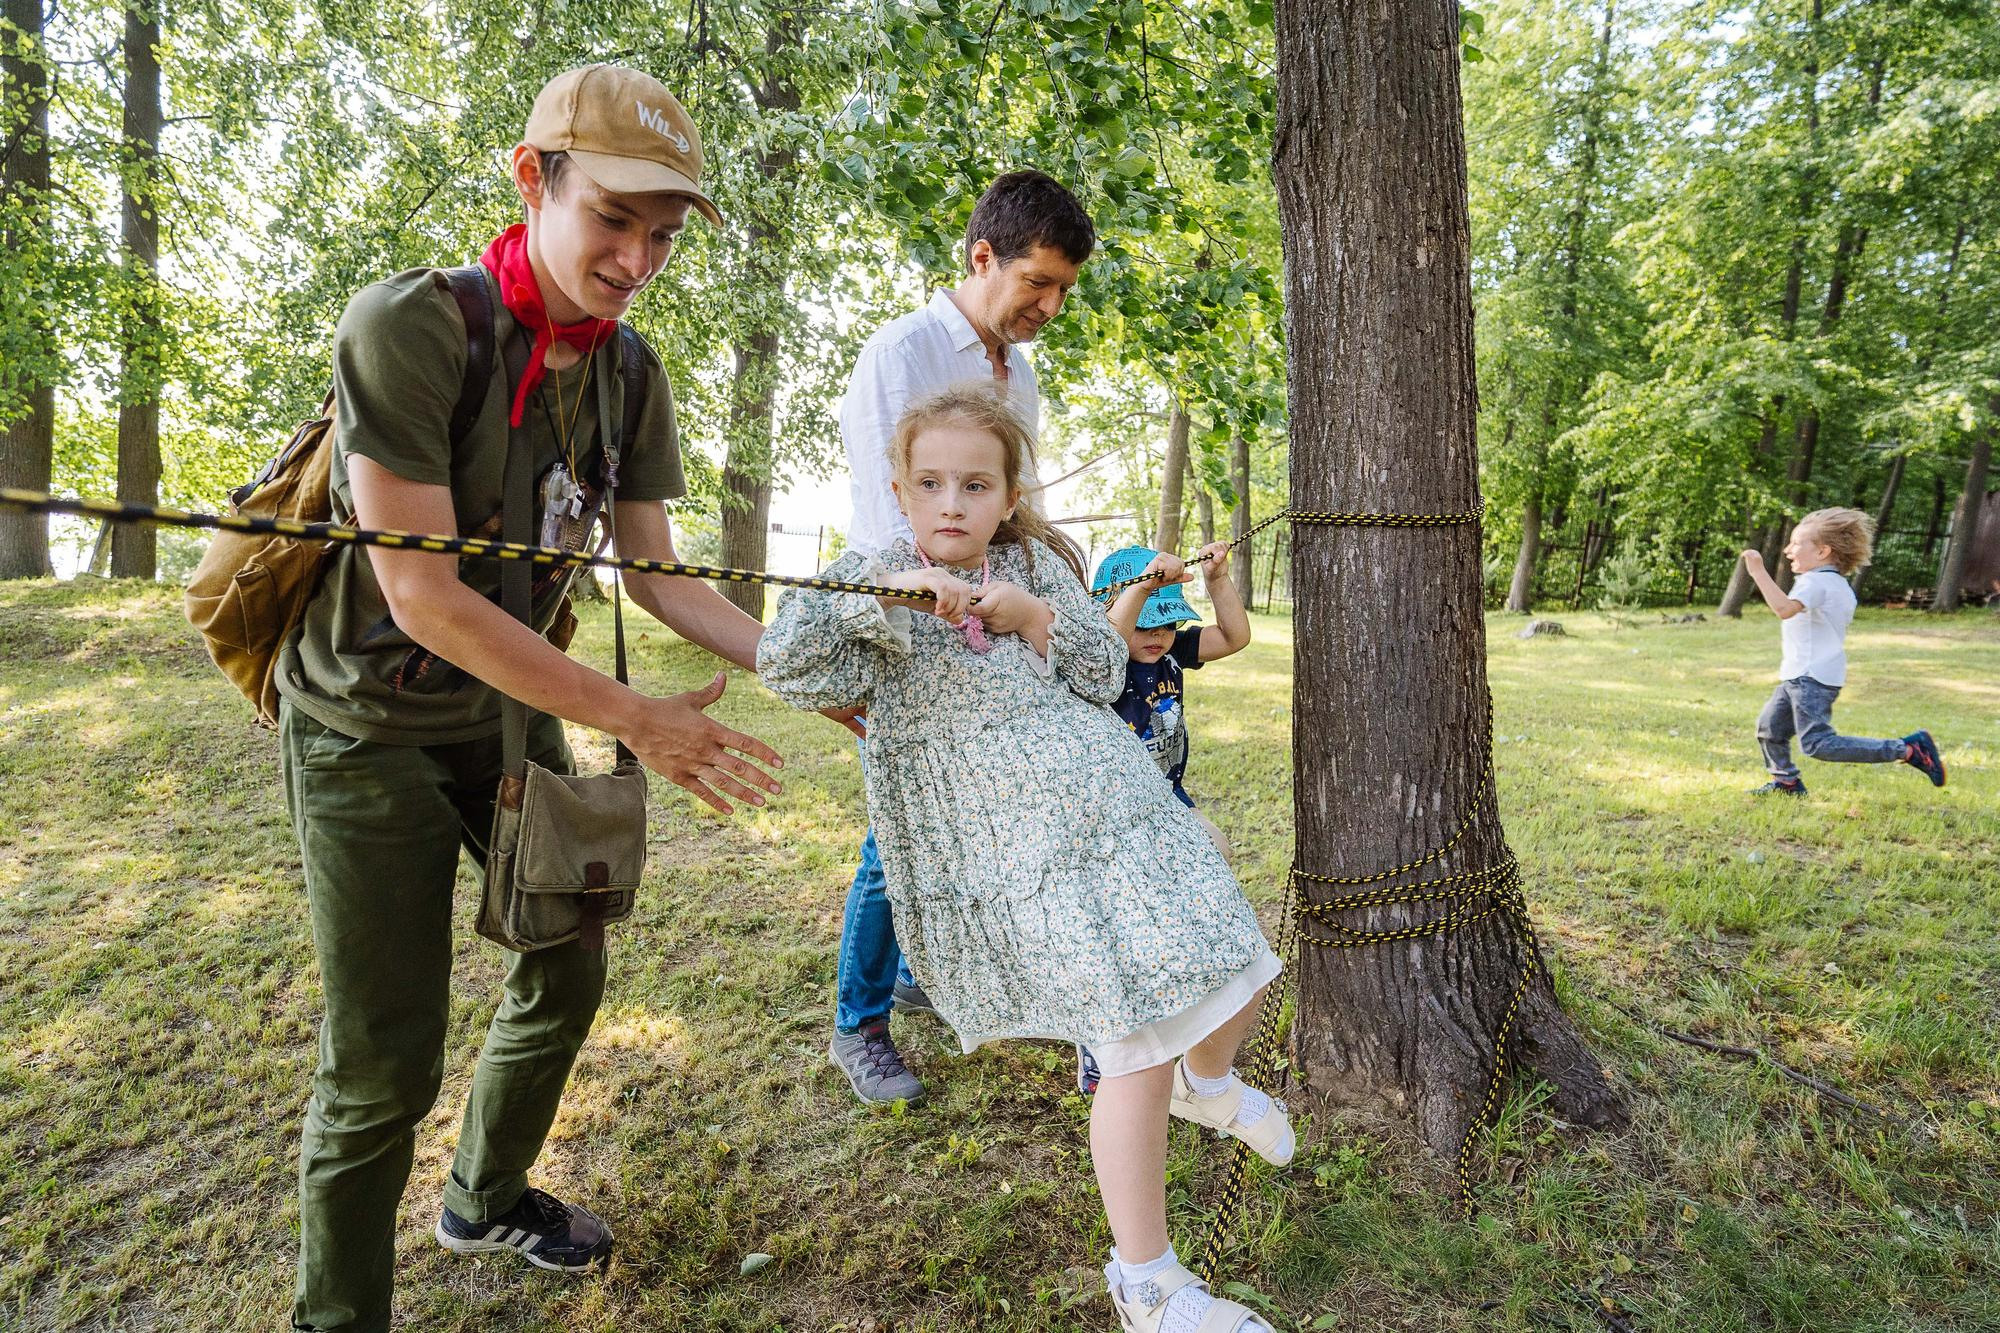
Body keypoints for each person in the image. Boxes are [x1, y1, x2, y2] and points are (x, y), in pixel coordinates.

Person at [274, 65, 844, 1333]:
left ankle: (483, 1194)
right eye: (614, 219)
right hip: (366, 726)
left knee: (565, 955)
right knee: (380, 1067)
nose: (638, 256)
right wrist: (640, 720)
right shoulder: (408, 326)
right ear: (533, 180)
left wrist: (811, 675)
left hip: (505, 717)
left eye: (663, 234)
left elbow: (659, 579)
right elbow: (419, 597)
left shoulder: (629, 374)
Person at [759, 384, 1291, 1333]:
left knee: (1244, 952)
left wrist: (1031, 617)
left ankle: (1207, 1086)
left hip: (1122, 810)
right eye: (930, 483)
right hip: (1018, 851)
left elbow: (1101, 669)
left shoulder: (1036, 565)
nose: (951, 503)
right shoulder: (875, 576)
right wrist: (873, 602)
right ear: (899, 491)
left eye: (975, 483)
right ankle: (1149, 1283)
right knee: (1128, 1035)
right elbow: (789, 666)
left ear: (1008, 495)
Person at [830, 170, 1096, 1105]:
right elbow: (881, 515)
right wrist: (901, 622)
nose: (1051, 306)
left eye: (1065, 289)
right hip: (910, 621)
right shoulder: (898, 353)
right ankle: (857, 1024)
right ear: (983, 258)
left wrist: (1041, 581)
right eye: (1038, 283)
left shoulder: (1018, 374)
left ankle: (915, 974)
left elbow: (1010, 503)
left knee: (960, 810)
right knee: (891, 828)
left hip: (994, 616)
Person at [1068, 541, 1251, 1093]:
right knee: (1116, 931)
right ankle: (1099, 1043)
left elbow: (1234, 637)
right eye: (1144, 621)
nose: (1156, 637)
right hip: (1111, 822)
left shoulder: (1171, 655)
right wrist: (1139, 590)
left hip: (1167, 807)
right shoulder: (1097, 666)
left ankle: (1181, 1010)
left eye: (1167, 623)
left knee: (1212, 857)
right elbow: (1104, 642)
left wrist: (1217, 579)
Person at [1740, 508, 1946, 796]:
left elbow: (1784, 609)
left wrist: (1758, 572)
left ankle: (1908, 749)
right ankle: (1786, 782)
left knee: (1818, 744)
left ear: (1823, 551)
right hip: (1802, 676)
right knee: (1769, 729)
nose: (1788, 550)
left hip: (1810, 678)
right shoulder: (1833, 583)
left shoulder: (1817, 583)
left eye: (1796, 543)